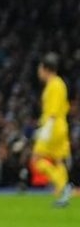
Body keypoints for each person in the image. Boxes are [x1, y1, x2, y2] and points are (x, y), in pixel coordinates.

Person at [31, 53, 72, 208]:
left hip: (53, 127)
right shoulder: (59, 84)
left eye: (40, 68)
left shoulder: (54, 85)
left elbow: (53, 112)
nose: (39, 72)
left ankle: (63, 185)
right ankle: (64, 195)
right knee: (58, 160)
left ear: (45, 69)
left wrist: (45, 130)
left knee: (36, 160)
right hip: (61, 126)